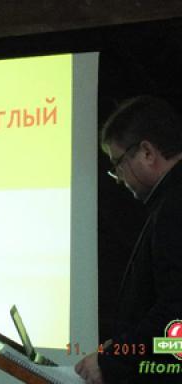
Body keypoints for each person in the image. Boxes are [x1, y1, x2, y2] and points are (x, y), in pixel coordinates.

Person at [75, 96, 182, 383]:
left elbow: (176, 319)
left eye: (118, 164)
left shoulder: (173, 208)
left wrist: (116, 358)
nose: (118, 178)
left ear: (147, 152)